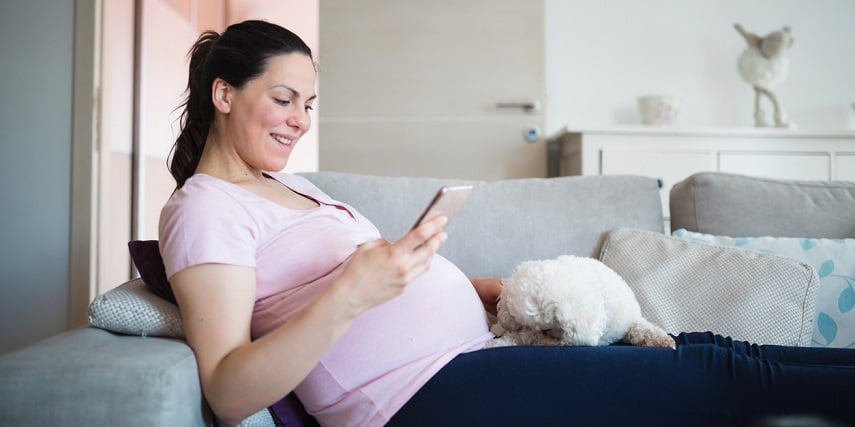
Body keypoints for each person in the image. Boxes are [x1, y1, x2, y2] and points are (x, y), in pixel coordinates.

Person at [159, 20, 855, 427]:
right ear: (224, 94)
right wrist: (351, 292)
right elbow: (225, 386)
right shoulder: (204, 209)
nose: (300, 120)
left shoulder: (290, 186)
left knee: (714, 350)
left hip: (477, 353)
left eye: (309, 102)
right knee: (717, 378)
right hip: (418, 396)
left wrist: (471, 289)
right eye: (283, 99)